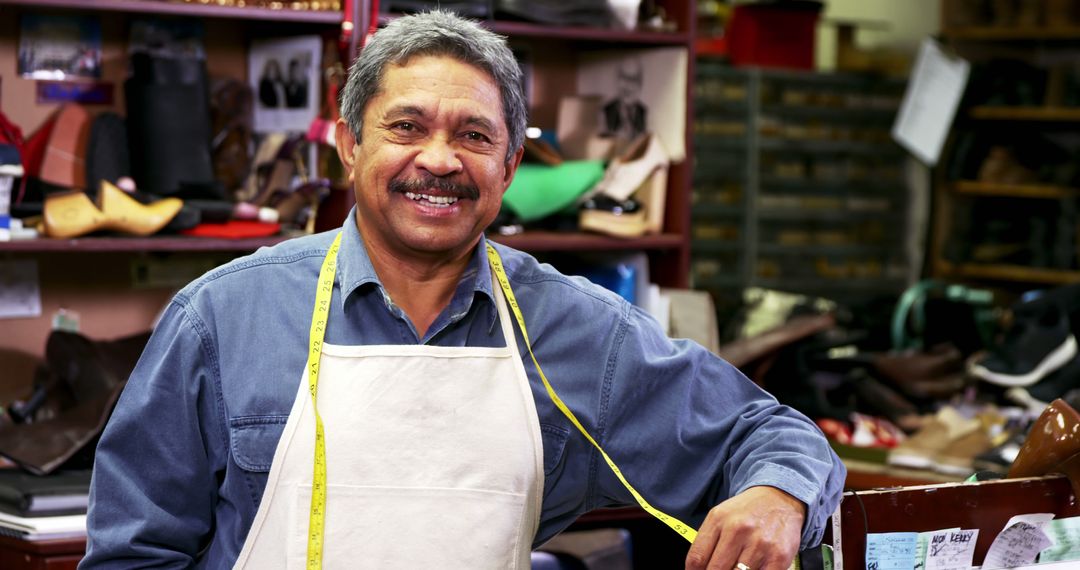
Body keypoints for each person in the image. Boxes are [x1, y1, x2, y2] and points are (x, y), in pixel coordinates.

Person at [82, 10, 844, 570]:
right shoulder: (222, 318)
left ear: (509, 168)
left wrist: (779, 495)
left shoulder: (575, 331)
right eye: (406, 127)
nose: (439, 160)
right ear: (350, 147)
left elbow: (773, 432)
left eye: (474, 137)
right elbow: (132, 557)